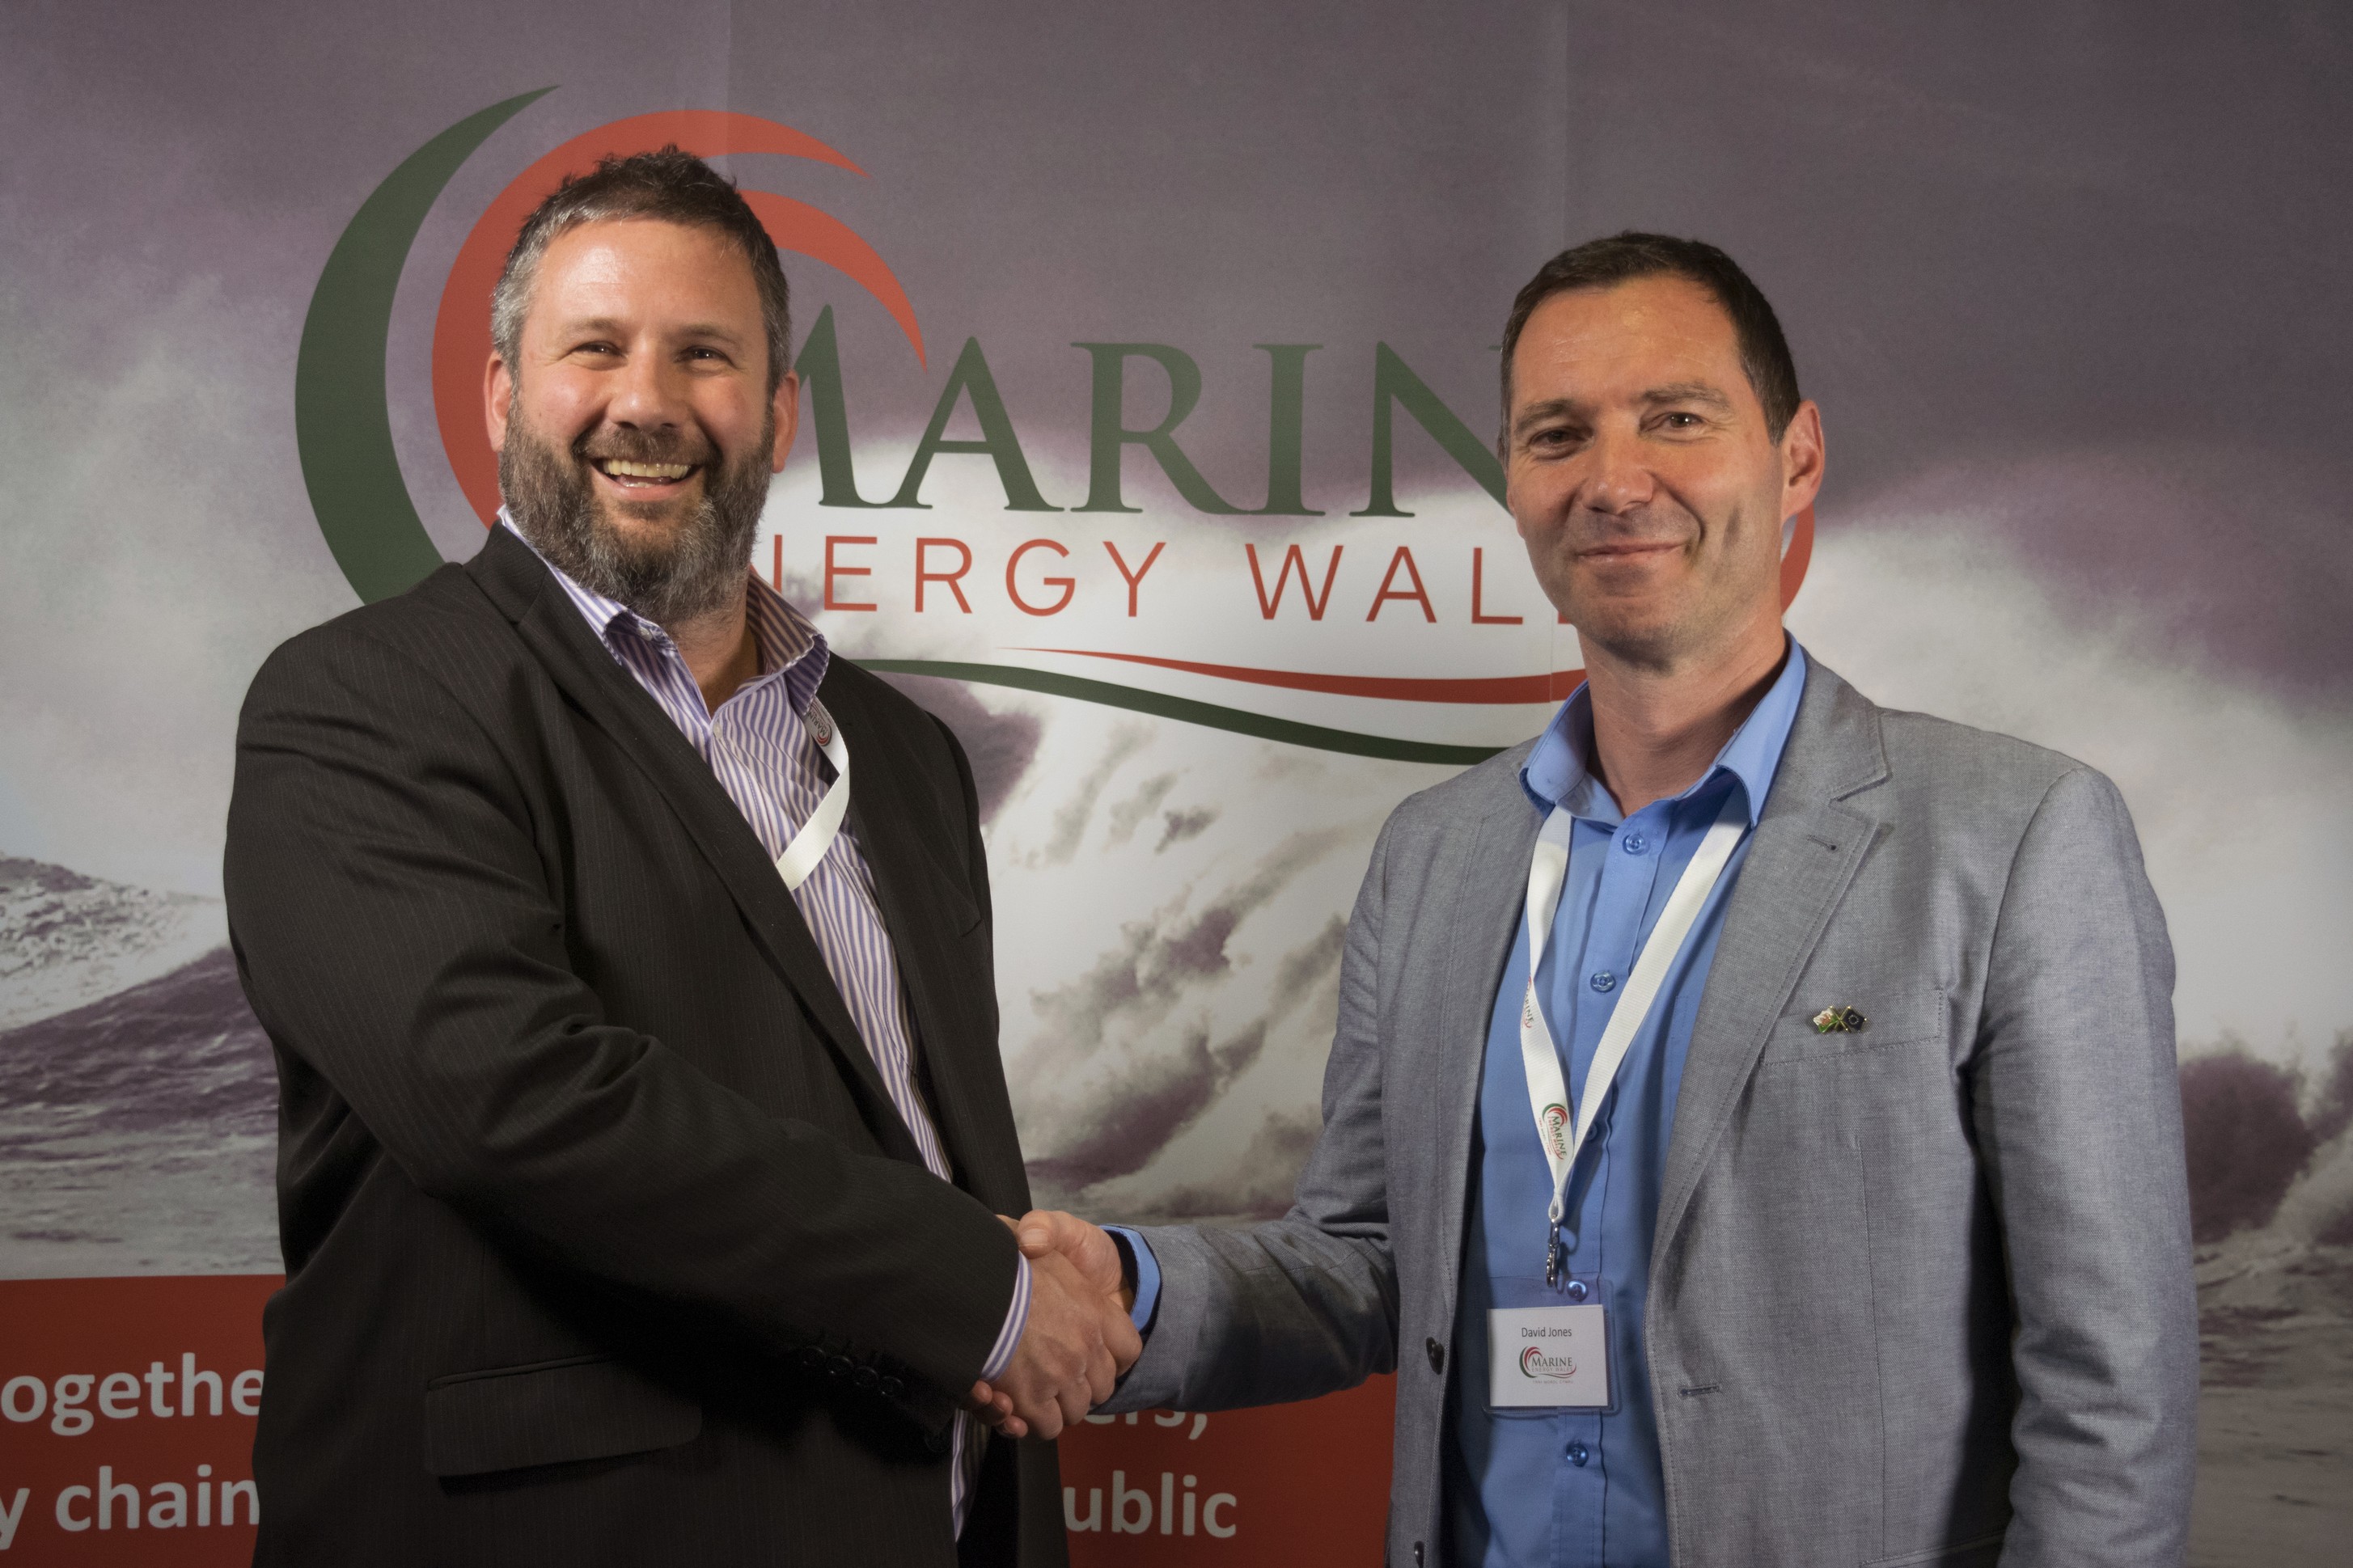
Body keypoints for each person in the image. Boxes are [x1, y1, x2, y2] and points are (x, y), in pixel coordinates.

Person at [1005, 234, 2198, 1567]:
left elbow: (2111, 1382)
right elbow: (1369, 1257)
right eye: (1557, 434)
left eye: (1675, 418)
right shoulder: (1435, 855)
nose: (1614, 481)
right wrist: (1130, 1290)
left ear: (1796, 457)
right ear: (1512, 482)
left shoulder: (2015, 836)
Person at [225, 149, 1132, 1567]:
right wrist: (983, 1294)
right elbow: (510, 1102)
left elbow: (923, 1139)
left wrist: (1016, 1284)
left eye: (703, 355)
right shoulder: (363, 701)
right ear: (501, 394)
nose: (647, 401)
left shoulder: (903, 755)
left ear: (776, 410)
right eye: (595, 348)